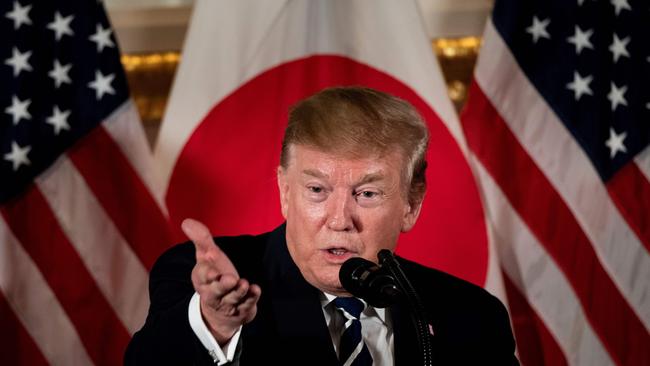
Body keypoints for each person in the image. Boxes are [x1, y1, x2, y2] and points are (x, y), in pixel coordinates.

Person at [125, 86, 519, 365]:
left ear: (411, 205)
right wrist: (216, 325)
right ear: (284, 191)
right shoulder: (207, 283)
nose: (338, 219)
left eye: (366, 194)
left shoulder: (470, 315)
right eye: (317, 189)